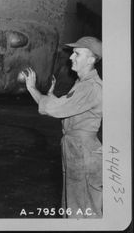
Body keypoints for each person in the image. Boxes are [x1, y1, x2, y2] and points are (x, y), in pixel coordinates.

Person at [22, 36, 102, 218]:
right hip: (76, 149)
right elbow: (60, 107)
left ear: (91, 59)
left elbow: (53, 109)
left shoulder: (90, 87)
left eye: (77, 53)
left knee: (83, 211)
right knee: (74, 206)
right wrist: (47, 96)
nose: (71, 57)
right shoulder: (82, 84)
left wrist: (33, 89)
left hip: (83, 152)